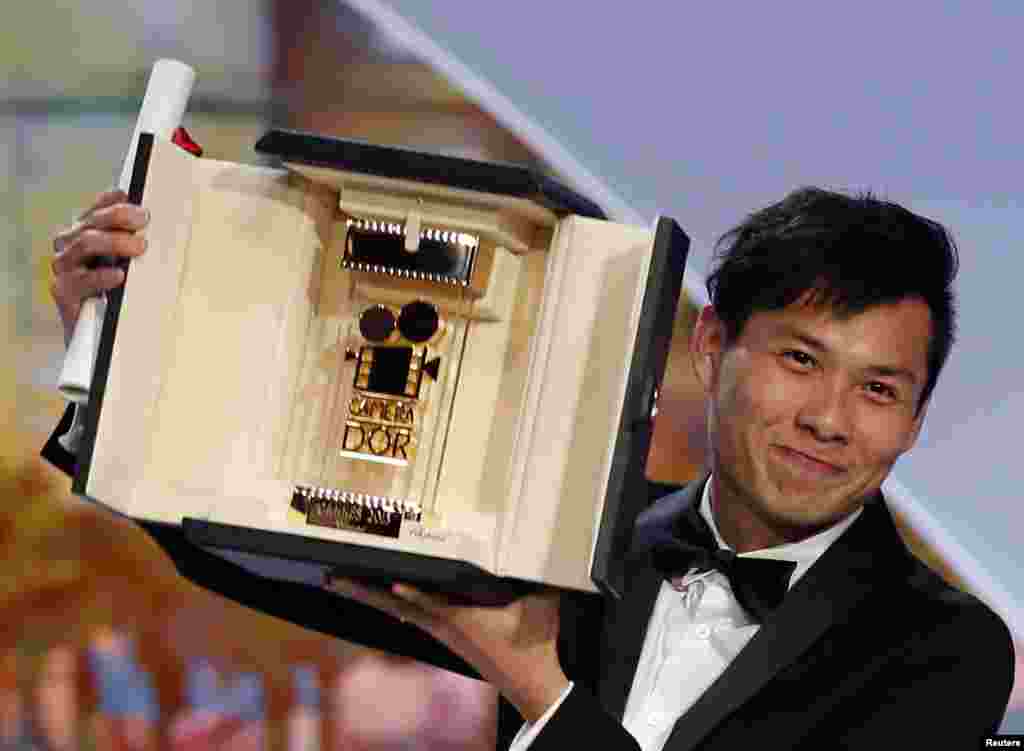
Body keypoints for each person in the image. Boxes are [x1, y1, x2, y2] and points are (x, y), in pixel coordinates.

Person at [46, 186, 1015, 750]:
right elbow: (255, 550)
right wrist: (115, 356)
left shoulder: (945, 646)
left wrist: (531, 681)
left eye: (878, 390)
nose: (829, 421)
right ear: (711, 347)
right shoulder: (573, 533)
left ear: (915, 417)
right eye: (799, 360)